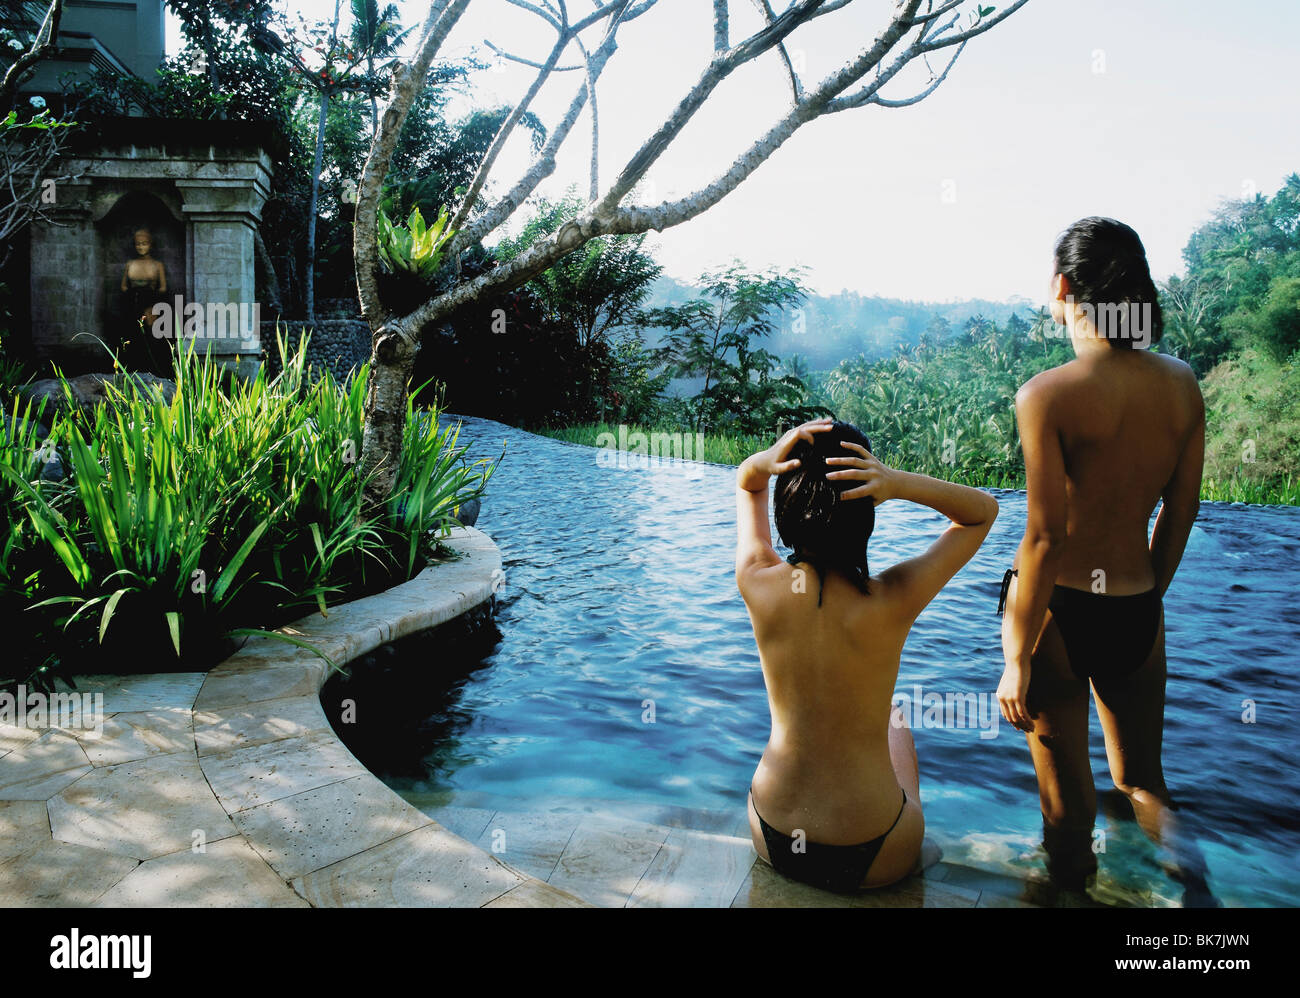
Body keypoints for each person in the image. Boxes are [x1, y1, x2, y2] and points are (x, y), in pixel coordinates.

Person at [997, 216, 1214, 902]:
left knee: (1068, 810)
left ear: (1063, 288)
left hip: (1057, 617)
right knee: (1143, 783)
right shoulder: (1180, 385)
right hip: (1138, 611)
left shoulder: (1046, 395)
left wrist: (1015, 656)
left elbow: (1043, 539)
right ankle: (1196, 886)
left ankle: (1068, 890)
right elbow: (1181, 512)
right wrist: (1148, 596)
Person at [736, 418, 998, 892]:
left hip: (770, 834)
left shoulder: (757, 582)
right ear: (868, 511)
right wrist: (898, 482)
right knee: (894, 717)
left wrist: (763, 463)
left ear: (785, 504)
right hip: (876, 851)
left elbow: (747, 483)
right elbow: (981, 512)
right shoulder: (892, 598)